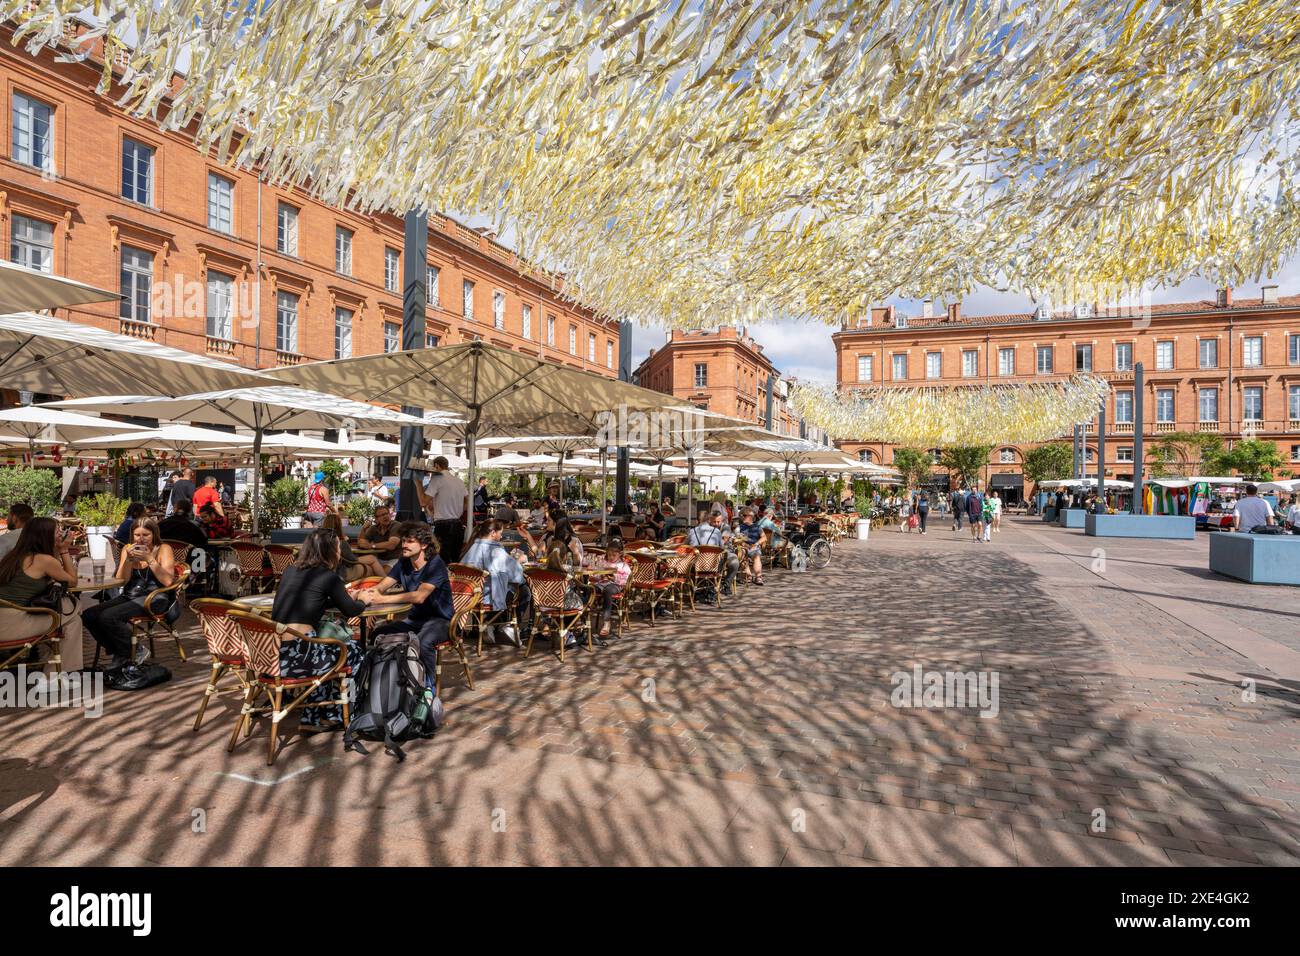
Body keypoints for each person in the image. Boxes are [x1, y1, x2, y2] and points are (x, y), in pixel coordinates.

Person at [270, 529, 370, 729]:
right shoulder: (327, 576)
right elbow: (351, 611)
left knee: (327, 652)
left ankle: (314, 716)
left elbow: (312, 598)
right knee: (354, 651)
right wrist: (363, 601)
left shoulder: (290, 570)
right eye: (338, 549)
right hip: (300, 657)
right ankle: (338, 713)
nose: (340, 554)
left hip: (272, 656)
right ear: (330, 551)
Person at [361, 523, 454, 690]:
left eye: (410, 541)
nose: (404, 545)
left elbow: (419, 596)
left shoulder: (435, 564)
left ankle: (427, 689)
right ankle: (378, 685)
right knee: (378, 634)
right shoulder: (403, 562)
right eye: (403, 541)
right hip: (415, 619)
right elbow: (383, 585)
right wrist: (367, 593)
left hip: (441, 621)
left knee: (423, 642)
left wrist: (381, 600)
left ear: (424, 545)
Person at [82, 518, 176, 668]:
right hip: (130, 595)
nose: (141, 539)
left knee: (108, 617)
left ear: (154, 534)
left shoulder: (163, 549)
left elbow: (168, 582)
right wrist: (128, 561)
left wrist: (150, 559)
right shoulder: (128, 548)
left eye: (146, 535)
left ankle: (134, 651)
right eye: (137, 535)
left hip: (155, 597)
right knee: (89, 615)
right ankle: (122, 651)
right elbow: (121, 580)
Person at [0, 516, 78, 649]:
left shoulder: (14, 556)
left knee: (74, 622)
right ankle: (57, 668)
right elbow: (72, 582)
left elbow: (54, 569)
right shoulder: (43, 560)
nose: (60, 534)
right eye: (57, 531)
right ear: (45, 535)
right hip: (11, 624)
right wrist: (64, 549)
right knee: (72, 605)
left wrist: (57, 550)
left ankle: (60, 666)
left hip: (5, 619)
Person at [461, 520, 532, 646]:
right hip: (488, 597)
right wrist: (518, 561)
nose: (501, 537)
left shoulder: (471, 548)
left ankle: (491, 624)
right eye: (500, 533)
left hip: (470, 596)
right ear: (493, 533)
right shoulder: (495, 550)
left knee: (503, 585)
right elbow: (516, 576)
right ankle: (512, 627)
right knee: (524, 589)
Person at [415, 456, 469, 563]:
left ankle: (444, 580)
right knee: (455, 560)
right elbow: (467, 501)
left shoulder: (437, 479)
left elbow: (423, 502)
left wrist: (418, 483)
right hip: (457, 524)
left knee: (442, 560)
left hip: (444, 526)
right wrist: (458, 511)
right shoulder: (459, 481)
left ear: (437, 466)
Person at [687, 508, 738, 597]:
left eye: (719, 522)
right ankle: (711, 584)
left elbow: (686, 546)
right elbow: (721, 547)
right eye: (714, 522)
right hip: (713, 559)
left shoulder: (724, 527)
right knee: (723, 559)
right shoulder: (715, 531)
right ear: (709, 520)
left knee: (734, 561)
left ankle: (726, 585)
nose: (716, 524)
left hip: (701, 560)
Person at [322, 512, 386, 581]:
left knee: (371, 561)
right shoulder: (340, 542)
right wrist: (346, 542)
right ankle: (387, 582)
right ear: (338, 526)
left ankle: (385, 582)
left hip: (329, 572)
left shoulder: (321, 541)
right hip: (343, 572)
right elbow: (351, 560)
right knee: (371, 564)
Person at [591, 539, 630, 638]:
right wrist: (599, 575)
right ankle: (583, 617)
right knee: (590, 588)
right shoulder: (604, 562)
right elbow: (596, 576)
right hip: (602, 583)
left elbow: (626, 580)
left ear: (620, 554)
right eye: (609, 555)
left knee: (607, 591)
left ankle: (606, 621)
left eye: (614, 555)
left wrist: (614, 577)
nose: (611, 557)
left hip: (615, 585)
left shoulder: (623, 565)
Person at [737, 509, 765, 585]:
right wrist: (742, 543)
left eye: (744, 516)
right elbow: (735, 538)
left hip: (754, 546)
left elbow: (764, 537)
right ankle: (748, 575)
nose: (742, 517)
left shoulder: (757, 527)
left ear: (750, 517)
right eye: (742, 516)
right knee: (742, 555)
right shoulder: (739, 527)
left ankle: (758, 577)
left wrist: (756, 544)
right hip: (743, 547)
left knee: (756, 556)